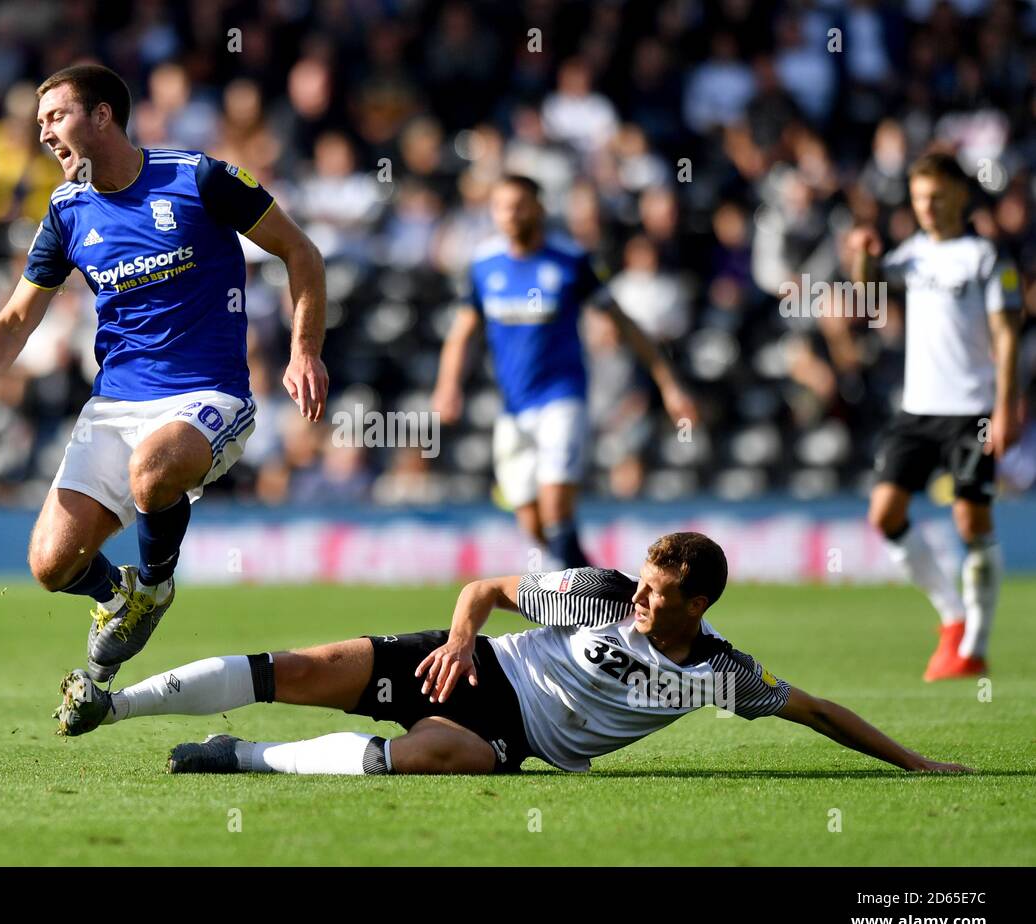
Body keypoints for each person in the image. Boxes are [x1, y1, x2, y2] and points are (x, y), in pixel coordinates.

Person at [0, 64, 329, 681]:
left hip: (209, 397)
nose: (44, 133)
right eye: (39, 122)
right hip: (115, 406)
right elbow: (16, 319)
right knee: (50, 565)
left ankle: (154, 586)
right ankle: (117, 599)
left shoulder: (198, 178)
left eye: (56, 117)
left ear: (102, 116)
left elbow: (300, 251)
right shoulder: (67, 210)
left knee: (152, 470)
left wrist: (304, 349)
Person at [54, 531, 971, 777]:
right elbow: (486, 592)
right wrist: (459, 641)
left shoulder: (719, 672)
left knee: (434, 758)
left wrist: (917, 761)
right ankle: (112, 704)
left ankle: (237, 758)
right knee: (301, 667)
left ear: (701, 604)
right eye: (643, 585)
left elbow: (816, 712)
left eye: (661, 594)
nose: (642, 600)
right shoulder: (601, 591)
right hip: (480, 666)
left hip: (511, 734)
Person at [431, 174, 695, 570]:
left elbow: (624, 323)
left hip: (562, 397)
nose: (511, 214)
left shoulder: (570, 259)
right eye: (502, 206)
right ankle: (597, 587)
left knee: (556, 508)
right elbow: (462, 332)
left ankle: (584, 607)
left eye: (519, 204)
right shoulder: (485, 264)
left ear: (538, 207)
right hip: (513, 406)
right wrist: (447, 386)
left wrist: (669, 385)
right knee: (533, 522)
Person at [849, 152, 1023, 680]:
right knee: (885, 514)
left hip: (971, 409)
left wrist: (1006, 405)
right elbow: (868, 292)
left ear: (960, 196)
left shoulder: (985, 257)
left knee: (971, 519)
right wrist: (862, 256)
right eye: (920, 196)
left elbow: (1007, 334)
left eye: (937, 196)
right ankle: (952, 617)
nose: (927, 206)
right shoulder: (913, 256)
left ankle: (975, 645)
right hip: (916, 411)